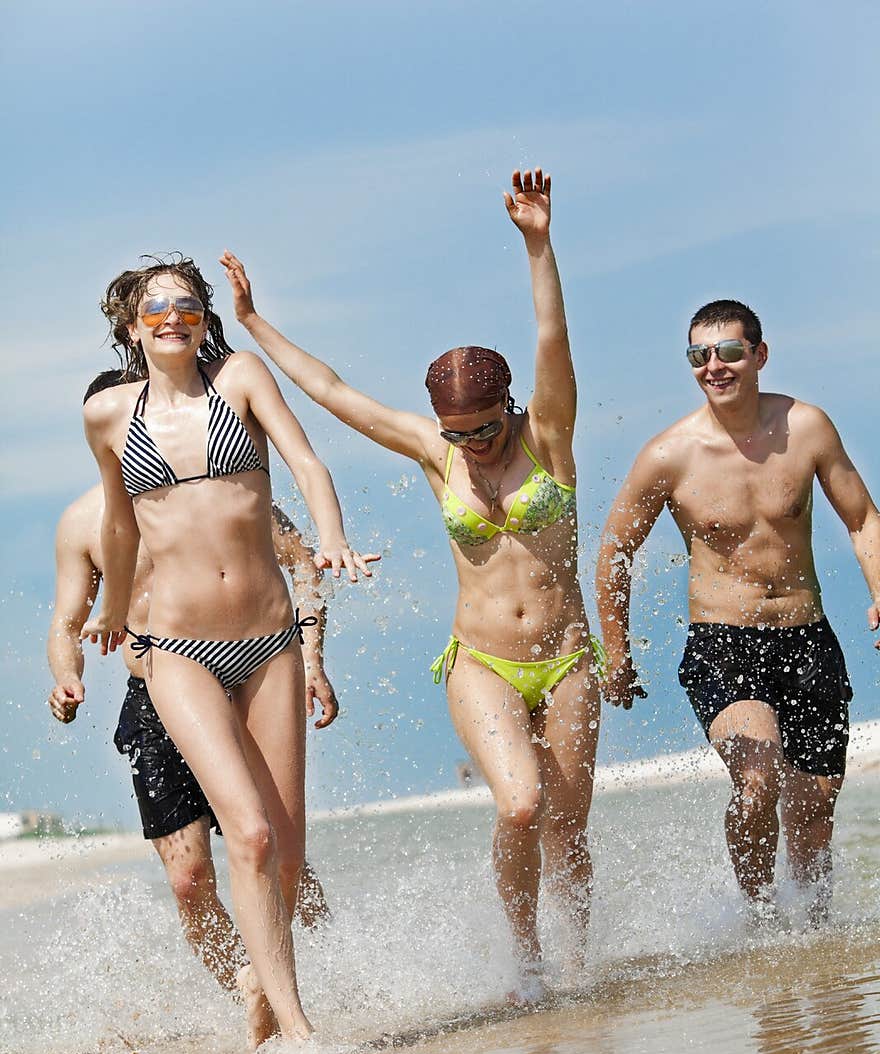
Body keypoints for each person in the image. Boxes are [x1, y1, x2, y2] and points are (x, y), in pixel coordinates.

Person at [221, 168, 604, 998]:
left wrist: (539, 244)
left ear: (510, 406)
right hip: (483, 661)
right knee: (520, 807)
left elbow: (551, 337)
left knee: (570, 833)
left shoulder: (552, 435)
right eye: (456, 434)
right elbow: (330, 392)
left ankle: (581, 969)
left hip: (569, 657)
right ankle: (526, 961)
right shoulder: (438, 455)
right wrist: (253, 322)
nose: (471, 446)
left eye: (484, 428)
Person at [80, 256, 376, 1049]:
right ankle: (297, 1029)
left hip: (270, 642)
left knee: (284, 854)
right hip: (178, 648)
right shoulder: (111, 415)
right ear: (131, 326)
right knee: (244, 834)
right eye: (154, 308)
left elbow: (306, 462)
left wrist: (335, 537)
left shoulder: (240, 379)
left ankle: (268, 993)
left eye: (185, 304)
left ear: (203, 318)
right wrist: (112, 611)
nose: (171, 317)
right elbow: (117, 524)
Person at [596, 298, 880, 922]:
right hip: (724, 643)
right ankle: (758, 922)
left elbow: (861, 519)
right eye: (700, 356)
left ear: (759, 355)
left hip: (809, 640)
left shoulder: (806, 429)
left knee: (812, 808)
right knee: (755, 784)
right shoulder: (669, 455)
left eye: (728, 352)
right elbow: (615, 549)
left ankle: (812, 933)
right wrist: (615, 651)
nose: (713, 367)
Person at [48, 381, 336, 988]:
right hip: (155, 696)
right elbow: (65, 624)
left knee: (280, 857)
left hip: (239, 680)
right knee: (189, 880)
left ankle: (329, 977)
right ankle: (248, 992)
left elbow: (303, 563)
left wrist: (311, 657)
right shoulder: (81, 524)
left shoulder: (220, 491)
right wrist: (67, 675)